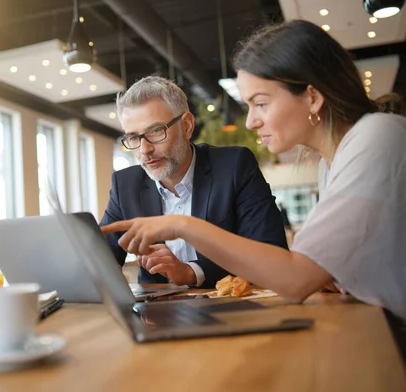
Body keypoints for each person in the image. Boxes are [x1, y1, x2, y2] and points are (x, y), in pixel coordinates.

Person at [101, 21, 406, 325]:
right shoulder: (332, 162)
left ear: (312, 97)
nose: (250, 122)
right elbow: (326, 271)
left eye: (260, 103)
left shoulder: (377, 138)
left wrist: (181, 225)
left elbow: (295, 279)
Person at [99, 76, 288, 288]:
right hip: (158, 316)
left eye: (155, 131)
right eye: (133, 138)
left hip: (231, 310)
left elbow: (271, 253)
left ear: (187, 126)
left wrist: (190, 272)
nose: (144, 150)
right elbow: (100, 256)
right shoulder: (126, 184)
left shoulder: (233, 166)